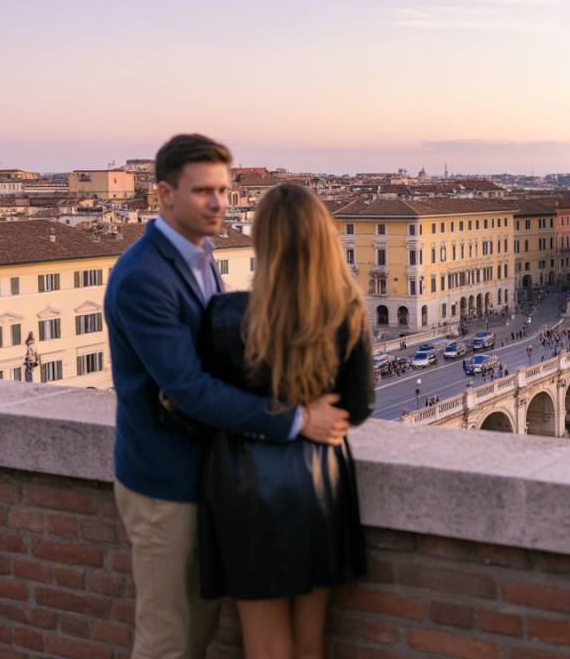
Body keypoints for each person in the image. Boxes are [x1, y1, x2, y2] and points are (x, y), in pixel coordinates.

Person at [106, 134, 348, 659]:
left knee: (201, 631)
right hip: (163, 482)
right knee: (169, 639)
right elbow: (188, 388)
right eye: (202, 191)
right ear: (164, 194)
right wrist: (295, 420)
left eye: (223, 189)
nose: (218, 202)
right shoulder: (142, 278)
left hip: (207, 476)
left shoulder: (201, 258)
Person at [197, 183, 373, 657]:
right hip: (319, 484)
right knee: (310, 643)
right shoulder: (347, 312)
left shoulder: (224, 315)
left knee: (265, 643)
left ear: (262, 242)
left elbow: (205, 402)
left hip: (244, 484)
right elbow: (357, 407)